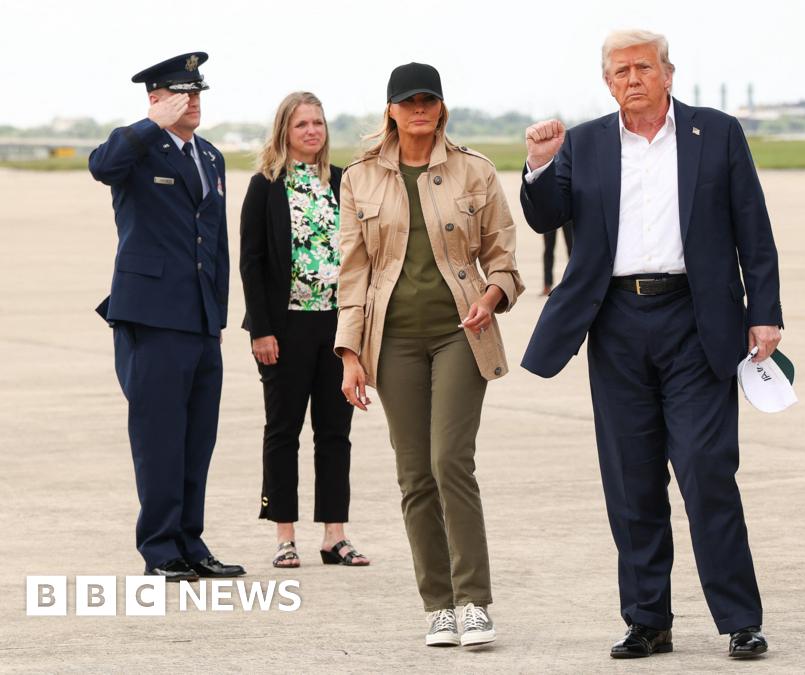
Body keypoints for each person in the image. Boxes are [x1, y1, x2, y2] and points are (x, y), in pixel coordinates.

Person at [521, 29, 781, 659]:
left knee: (706, 472)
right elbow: (544, 216)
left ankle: (740, 619)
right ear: (606, 82)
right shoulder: (584, 142)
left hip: (697, 321)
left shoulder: (716, 133)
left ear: (668, 72)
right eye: (618, 71)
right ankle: (648, 620)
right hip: (615, 324)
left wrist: (765, 312)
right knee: (631, 480)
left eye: (642, 67)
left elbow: (753, 222)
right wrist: (538, 166)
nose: (630, 78)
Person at [335, 63, 522, 648]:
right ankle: (437, 605)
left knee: (450, 462)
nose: (419, 109)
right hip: (391, 342)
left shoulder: (475, 171)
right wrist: (348, 354)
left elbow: (503, 258)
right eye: (408, 101)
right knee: (414, 475)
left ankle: (474, 600)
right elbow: (353, 273)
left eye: (429, 100)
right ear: (390, 109)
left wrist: (492, 297)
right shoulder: (359, 179)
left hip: (460, 335)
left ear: (442, 108)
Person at [89, 52, 244, 582]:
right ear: (156, 98)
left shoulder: (211, 157)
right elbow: (101, 165)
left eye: (198, 92)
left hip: (200, 321)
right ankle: (159, 547)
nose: (193, 101)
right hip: (152, 318)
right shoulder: (135, 148)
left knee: (197, 439)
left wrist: (218, 316)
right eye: (181, 93)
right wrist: (149, 124)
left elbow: (216, 242)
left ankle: (191, 541)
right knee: (158, 438)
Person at [240, 92, 368, 569]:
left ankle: (334, 535)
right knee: (283, 431)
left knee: (335, 432)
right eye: (301, 125)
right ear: (284, 132)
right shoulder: (265, 186)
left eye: (317, 123)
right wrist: (261, 329)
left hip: (336, 328)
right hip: (285, 326)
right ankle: (285, 535)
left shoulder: (342, 183)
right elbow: (251, 263)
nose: (311, 131)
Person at [541, 220, 573, 295]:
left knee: (572, 248)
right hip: (550, 213)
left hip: (569, 213)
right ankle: (547, 284)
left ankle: (574, 281)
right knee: (548, 248)